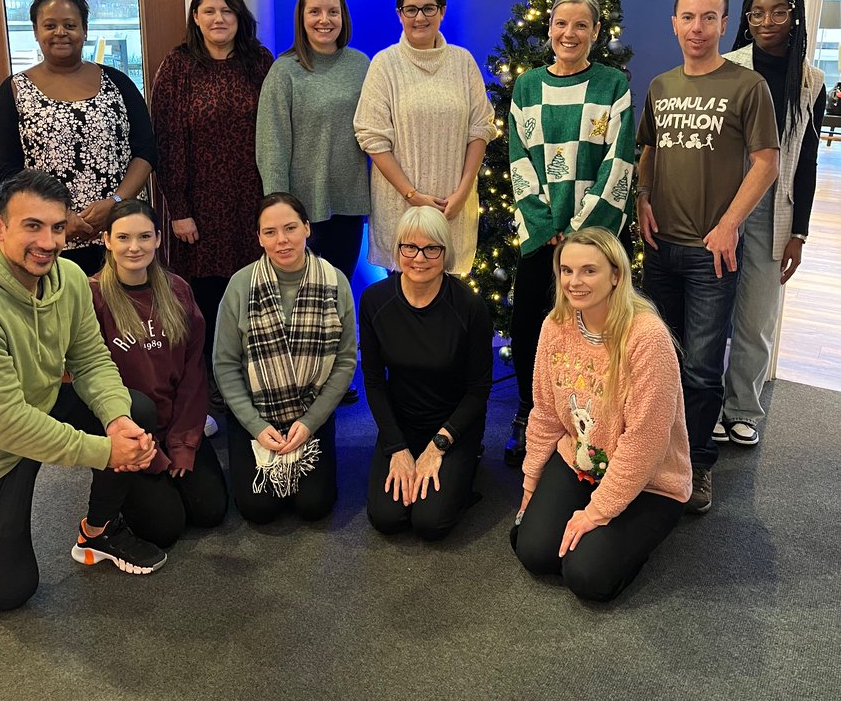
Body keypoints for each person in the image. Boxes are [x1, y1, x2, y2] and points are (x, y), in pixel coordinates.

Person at [0, 171, 166, 612]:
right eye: (32, 226)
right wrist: (106, 452)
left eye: (58, 227)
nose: (48, 241)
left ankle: (99, 531)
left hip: (33, 412)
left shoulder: (68, 278)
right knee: (7, 591)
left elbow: (91, 359)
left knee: (134, 410)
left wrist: (118, 422)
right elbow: (4, 425)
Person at [636, 0, 779, 514]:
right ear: (674, 24)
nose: (697, 28)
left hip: (711, 252)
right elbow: (647, 147)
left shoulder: (747, 87)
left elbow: (766, 161)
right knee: (659, 362)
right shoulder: (660, 85)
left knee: (699, 366)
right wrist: (643, 196)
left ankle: (695, 465)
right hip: (659, 247)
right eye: (688, 18)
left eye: (709, 18)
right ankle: (657, 455)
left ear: (724, 24)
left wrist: (730, 224)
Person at [512, 228, 691, 602]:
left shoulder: (647, 338)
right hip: (582, 460)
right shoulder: (555, 326)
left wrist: (596, 513)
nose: (574, 282)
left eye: (589, 271)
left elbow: (645, 442)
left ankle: (632, 543)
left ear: (616, 275)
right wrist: (530, 483)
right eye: (566, 270)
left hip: (649, 479)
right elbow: (544, 412)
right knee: (533, 551)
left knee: (587, 576)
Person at [505, 0, 635, 468]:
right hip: (542, 236)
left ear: (596, 33)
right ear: (550, 28)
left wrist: (581, 232)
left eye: (582, 25)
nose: (570, 34)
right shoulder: (527, 87)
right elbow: (519, 158)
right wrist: (546, 224)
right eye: (562, 24)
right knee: (529, 324)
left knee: (595, 327)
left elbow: (618, 160)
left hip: (592, 239)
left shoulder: (612, 86)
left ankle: (596, 414)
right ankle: (529, 409)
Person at [715, 0, 825, 447]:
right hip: (720, 204)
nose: (766, 21)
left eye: (778, 11)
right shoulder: (727, 67)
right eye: (756, 12)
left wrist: (799, 232)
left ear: (793, 15)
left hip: (774, 212)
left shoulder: (810, 81)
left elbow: (807, 161)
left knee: (758, 317)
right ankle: (697, 402)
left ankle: (741, 408)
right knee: (709, 310)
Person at [0, 0, 157, 276]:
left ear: (85, 30)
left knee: (121, 314)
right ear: (36, 31)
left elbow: (146, 150)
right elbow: (7, 172)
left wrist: (116, 203)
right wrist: (60, 218)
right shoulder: (13, 91)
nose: (60, 33)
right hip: (47, 238)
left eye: (70, 25)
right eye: (50, 25)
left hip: (120, 232)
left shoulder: (118, 83)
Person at [89, 200, 229, 548]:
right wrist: (151, 457)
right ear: (106, 240)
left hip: (176, 424)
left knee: (210, 512)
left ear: (158, 239)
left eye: (143, 236)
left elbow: (194, 376)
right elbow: (89, 380)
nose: (134, 247)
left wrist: (183, 444)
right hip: (130, 432)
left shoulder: (177, 290)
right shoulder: (92, 296)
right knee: (165, 528)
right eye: (123, 237)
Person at [151, 0, 273, 367]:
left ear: (239, 16)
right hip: (198, 203)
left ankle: (250, 369)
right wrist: (179, 208)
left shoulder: (260, 62)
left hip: (251, 199)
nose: (219, 18)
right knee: (204, 294)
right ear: (196, 18)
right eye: (209, 11)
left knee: (253, 288)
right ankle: (209, 374)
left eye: (227, 10)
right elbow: (167, 140)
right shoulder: (178, 66)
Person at [214, 193, 356, 524]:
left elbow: (346, 362)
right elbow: (225, 365)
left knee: (314, 507)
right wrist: (256, 425)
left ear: (307, 228)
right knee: (257, 510)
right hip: (255, 414)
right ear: (259, 238)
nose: (282, 240)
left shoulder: (335, 282)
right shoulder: (241, 285)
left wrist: (310, 423)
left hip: (310, 412)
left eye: (290, 228)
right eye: (270, 232)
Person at [360, 206, 492, 542]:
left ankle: (467, 464)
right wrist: (397, 447)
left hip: (453, 424)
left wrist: (438, 447)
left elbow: (478, 391)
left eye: (432, 248)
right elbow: (374, 383)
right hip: (402, 421)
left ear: (445, 253)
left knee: (429, 523)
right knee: (387, 517)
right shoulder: (375, 300)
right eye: (410, 247)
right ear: (398, 249)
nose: (420, 258)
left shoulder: (469, 306)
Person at [354, 0, 496, 275]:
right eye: (411, 9)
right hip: (401, 210)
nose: (420, 17)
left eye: (429, 8)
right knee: (403, 308)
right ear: (399, 14)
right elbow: (372, 137)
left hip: (453, 210)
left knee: (449, 310)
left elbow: (480, 128)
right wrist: (412, 196)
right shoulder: (384, 64)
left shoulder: (463, 62)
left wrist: (462, 192)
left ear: (442, 11)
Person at [256, 0, 370, 284]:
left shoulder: (361, 65)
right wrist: (278, 210)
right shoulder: (284, 71)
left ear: (343, 17)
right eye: (315, 12)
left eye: (333, 12)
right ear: (302, 18)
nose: (324, 20)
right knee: (300, 298)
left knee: (339, 291)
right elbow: (271, 146)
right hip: (300, 209)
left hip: (349, 204)